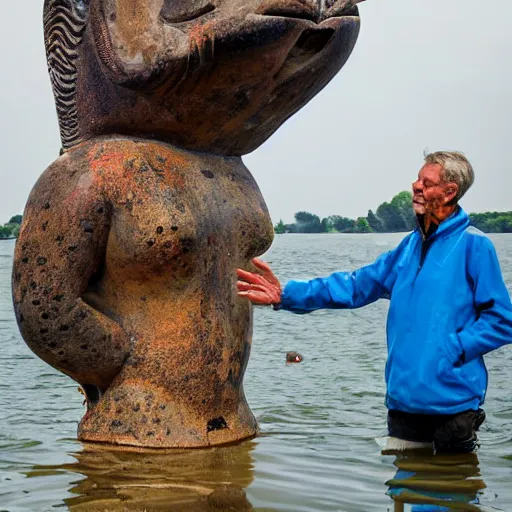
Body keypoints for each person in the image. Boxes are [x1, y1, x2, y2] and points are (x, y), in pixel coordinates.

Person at [236, 151, 512, 453]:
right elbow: (354, 286)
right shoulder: (408, 247)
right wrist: (286, 295)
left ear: (450, 192)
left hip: (453, 409)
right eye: (417, 179)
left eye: (426, 182)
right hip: (403, 403)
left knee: (454, 493)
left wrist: (453, 349)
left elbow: (501, 320)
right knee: (403, 489)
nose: (416, 186)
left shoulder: (475, 245)